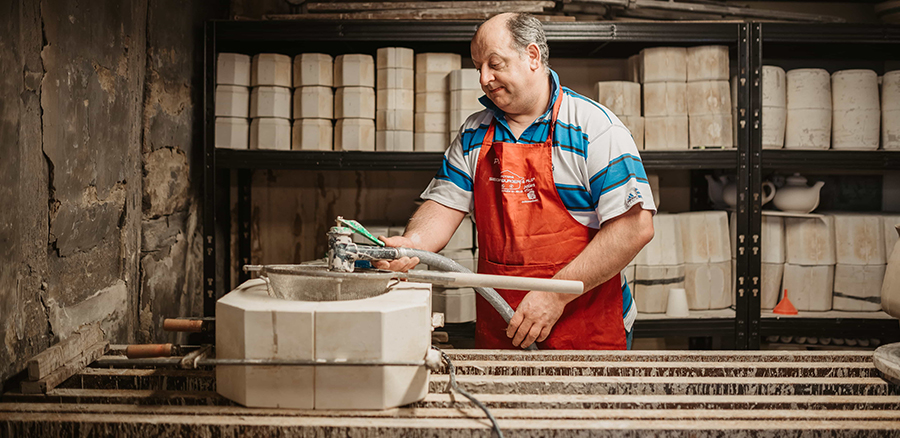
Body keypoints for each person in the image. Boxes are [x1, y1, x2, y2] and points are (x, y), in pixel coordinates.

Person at [375, 12, 655, 350]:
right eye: (479, 66)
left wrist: (555, 296)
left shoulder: (592, 128)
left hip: (584, 326)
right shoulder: (474, 133)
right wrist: (414, 244)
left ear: (532, 56)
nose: (484, 78)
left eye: (494, 64)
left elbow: (634, 228)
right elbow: (444, 203)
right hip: (504, 325)